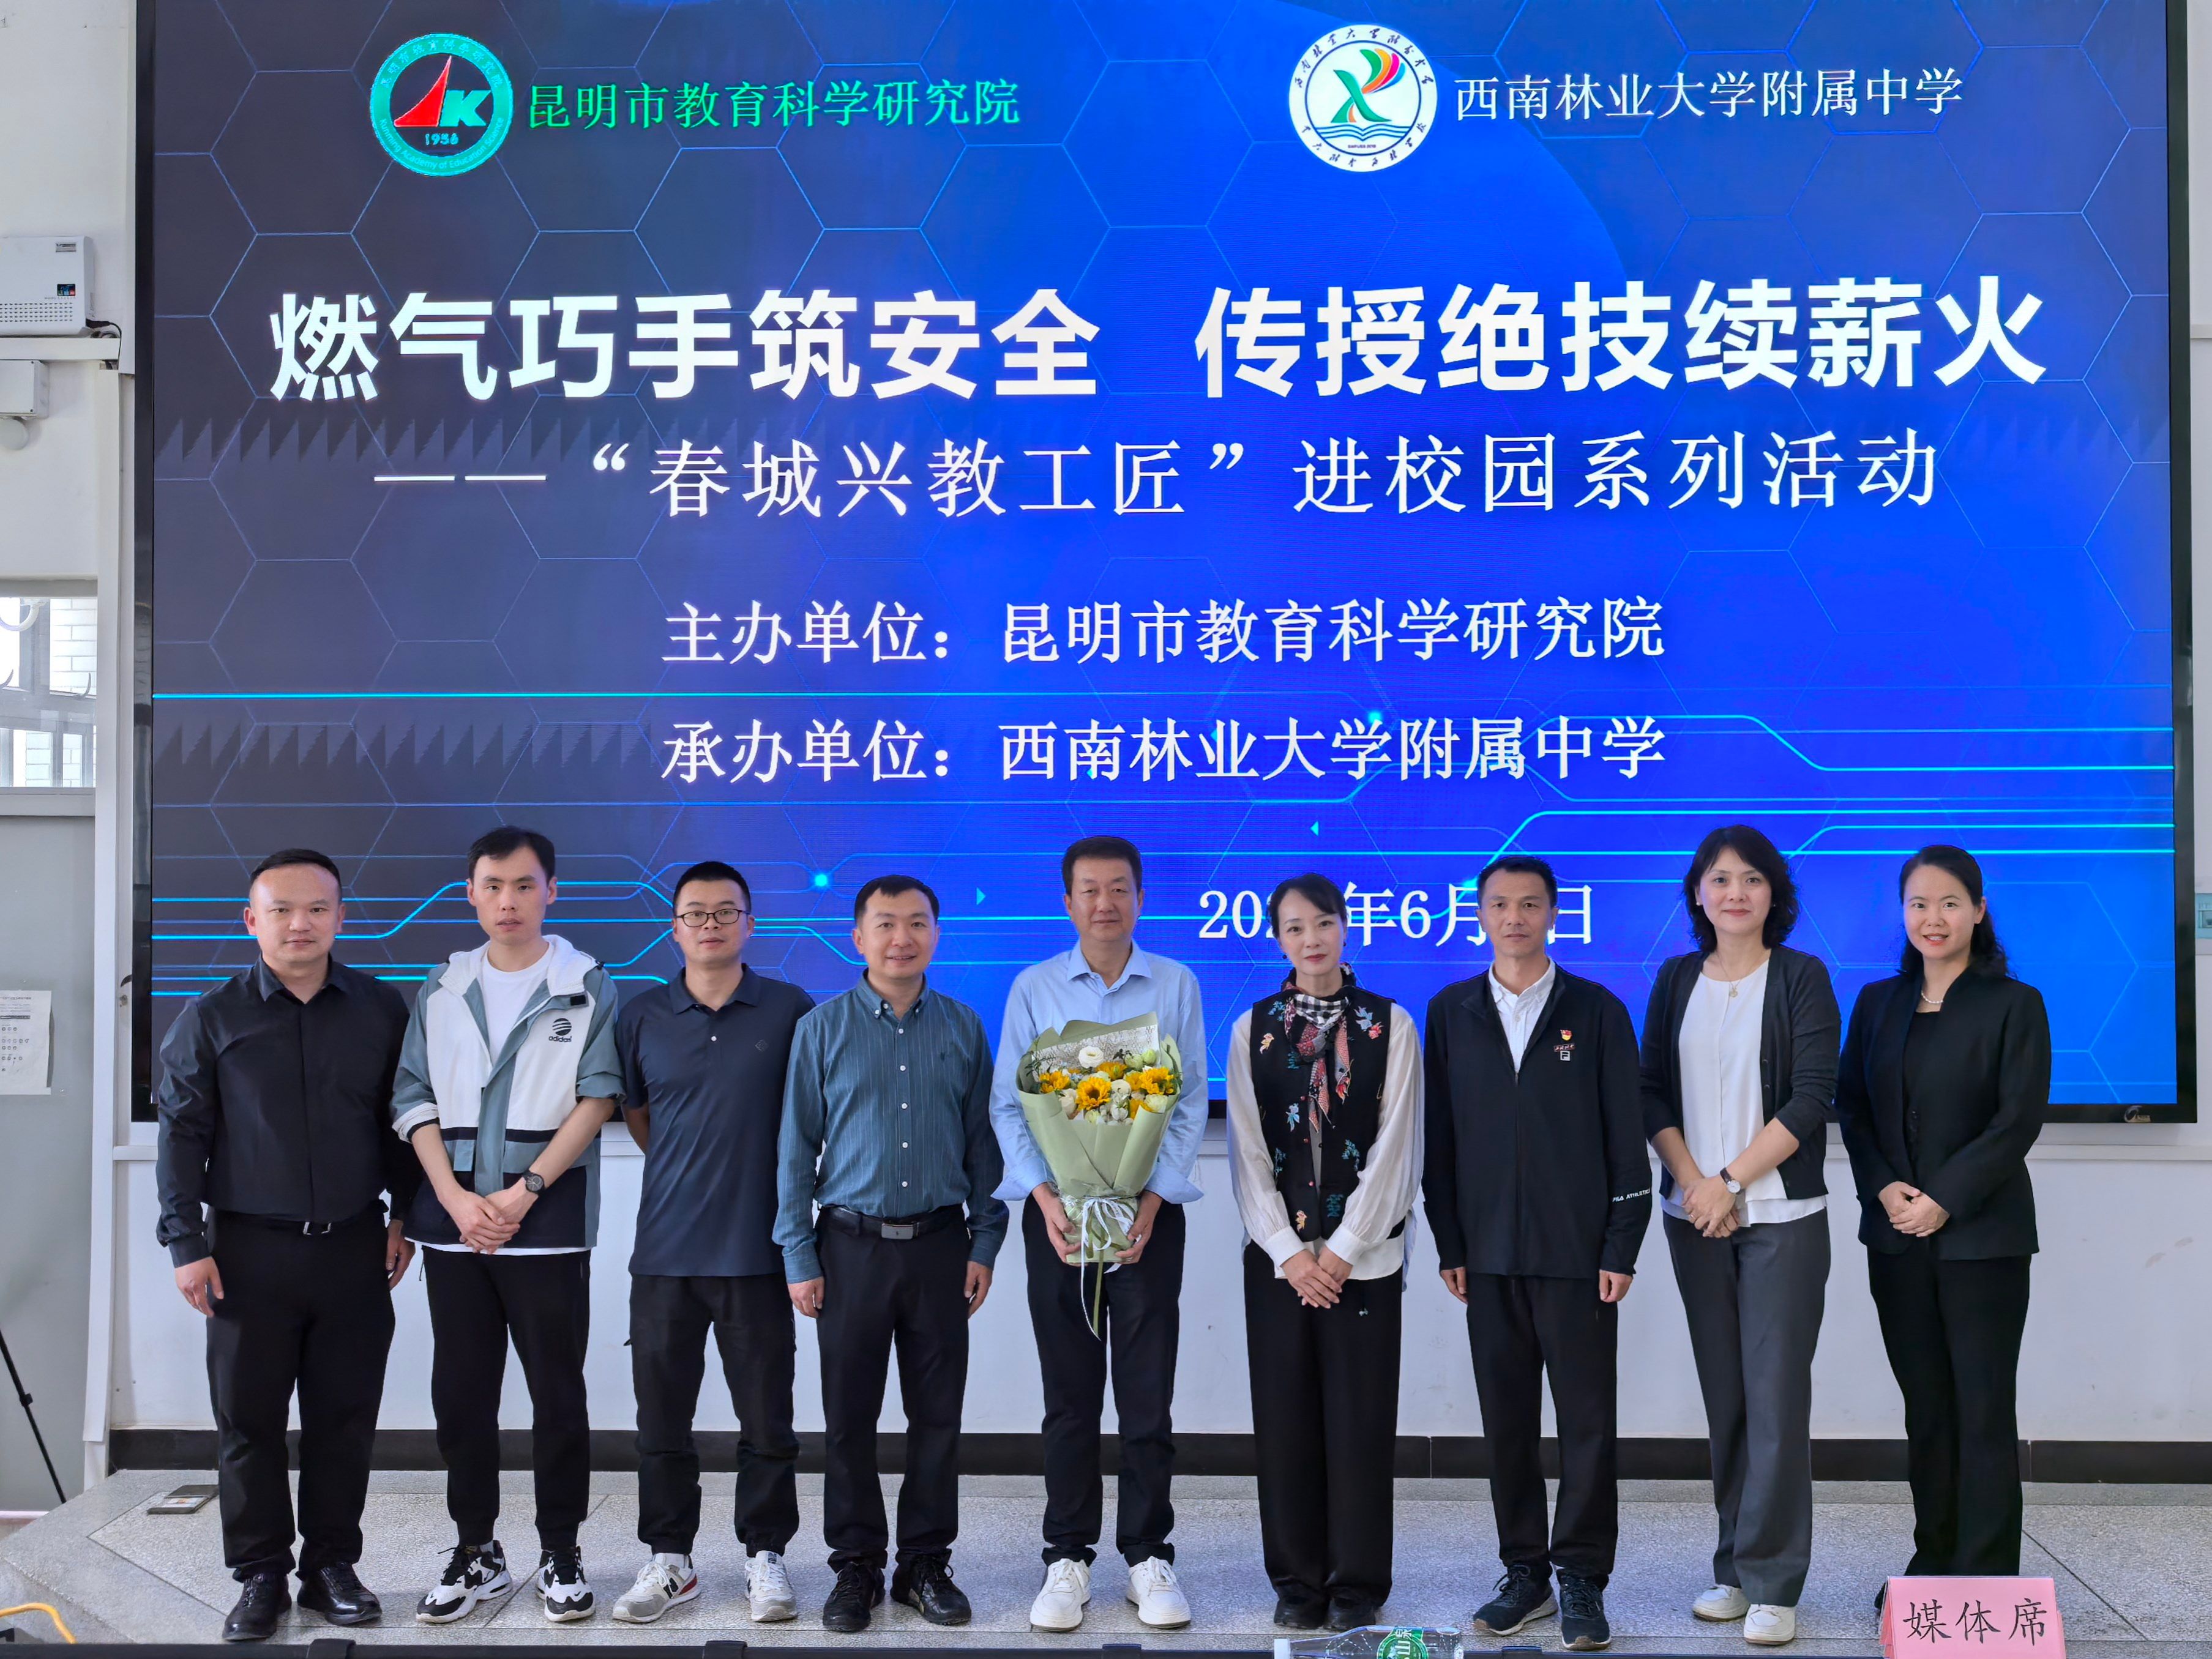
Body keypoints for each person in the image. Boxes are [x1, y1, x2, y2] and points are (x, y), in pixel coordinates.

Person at [154, 849, 417, 1642]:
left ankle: (332, 1565)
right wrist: (184, 1241)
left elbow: (401, 1122)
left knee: (345, 1417)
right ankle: (260, 1573)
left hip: (353, 1247)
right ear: (252, 919)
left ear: (340, 916)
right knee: (249, 1421)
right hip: (245, 1253)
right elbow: (182, 1134)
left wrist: (404, 1214)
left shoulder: (381, 1009)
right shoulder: (211, 1016)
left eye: (317, 908)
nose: (300, 923)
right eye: (281, 909)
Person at [390, 826, 622, 1625]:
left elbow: (598, 1094)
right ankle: (476, 1549)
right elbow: (412, 1096)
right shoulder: (443, 984)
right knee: (461, 1394)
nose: (508, 900)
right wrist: (455, 1199)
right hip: (454, 1229)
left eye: (524, 885)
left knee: (557, 1393)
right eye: (492, 885)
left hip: (547, 1224)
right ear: (470, 893)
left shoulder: (584, 981)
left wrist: (524, 1192)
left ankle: (561, 1549)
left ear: (551, 890)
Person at [1422, 854, 1650, 1653]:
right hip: (1485, 1253)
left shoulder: (1596, 1010)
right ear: (1479, 914)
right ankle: (1524, 1572)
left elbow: (1625, 1138)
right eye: (1498, 904)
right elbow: (1439, 1140)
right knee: (1507, 1422)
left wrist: (1621, 1242)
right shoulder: (1450, 1011)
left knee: (1586, 1421)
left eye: (1528, 904)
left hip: (1577, 1255)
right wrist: (1450, 1240)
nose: (1513, 917)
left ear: (1553, 912)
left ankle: (1581, 1573)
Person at [775, 875, 1007, 1635]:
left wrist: (984, 1238)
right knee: (848, 1417)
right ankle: (855, 1566)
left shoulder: (963, 1026)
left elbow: (981, 1144)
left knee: (936, 1415)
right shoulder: (821, 1028)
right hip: (848, 1248)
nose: (900, 937)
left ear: (936, 933)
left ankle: (924, 1565)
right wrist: (798, 1252)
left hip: (941, 1245)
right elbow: (794, 1147)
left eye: (915, 922)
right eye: (884, 923)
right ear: (858, 937)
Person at [990, 835, 1208, 1632]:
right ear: (1068, 901)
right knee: (1070, 1395)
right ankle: (1067, 1555)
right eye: (1089, 889)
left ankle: (1148, 1554)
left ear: (1140, 897)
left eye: (1119, 888)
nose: (1104, 902)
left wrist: (1150, 1199)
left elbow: (1187, 1101)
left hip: (1149, 1219)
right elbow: (1011, 1103)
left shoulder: (1175, 982)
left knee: (1146, 1396)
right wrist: (1046, 1198)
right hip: (1057, 1220)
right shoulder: (1033, 986)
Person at [1641, 827, 1839, 1648]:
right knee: (1726, 1397)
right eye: (1719, 878)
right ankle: (1733, 1564)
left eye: (1751, 878)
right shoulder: (1674, 978)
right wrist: (1695, 1184)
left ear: (1773, 892)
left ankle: (1774, 1578)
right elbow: (1650, 1089)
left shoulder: (1800, 975)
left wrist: (1727, 1181)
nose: (1734, 892)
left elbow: (1811, 1095)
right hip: (1694, 1217)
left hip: (1779, 1217)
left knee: (1775, 1398)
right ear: (1697, 892)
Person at [1836, 845, 2049, 1587]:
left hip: (1983, 1239)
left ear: (1978, 911)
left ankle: (1984, 1577)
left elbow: (2015, 1120)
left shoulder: (2013, 1004)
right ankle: (1933, 1562)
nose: (1933, 917)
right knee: (1925, 1408)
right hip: (1895, 1240)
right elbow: (1853, 1109)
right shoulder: (1877, 1003)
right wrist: (1884, 1188)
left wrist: (1943, 1197)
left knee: (1981, 1407)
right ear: (1902, 913)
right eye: (1919, 903)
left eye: (1950, 902)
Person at [609, 861, 813, 1625]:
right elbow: (640, 1118)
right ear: (674, 928)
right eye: (694, 913)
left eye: (726, 911)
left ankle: (766, 1554)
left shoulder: (790, 1009)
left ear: (750, 923)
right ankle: (671, 1557)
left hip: (758, 1252)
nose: (710, 924)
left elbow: (810, 1118)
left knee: (767, 1421)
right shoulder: (641, 1014)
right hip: (664, 1255)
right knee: (661, 1423)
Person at [1225, 873, 1422, 1633]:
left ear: (1346, 927)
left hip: (1362, 1262)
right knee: (1284, 1422)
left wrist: (1341, 1249)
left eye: (1323, 923)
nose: (1310, 939)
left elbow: (1397, 1148)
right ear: (1277, 938)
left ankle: (1357, 1582)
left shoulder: (1389, 1023)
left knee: (1360, 1422)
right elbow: (1246, 1152)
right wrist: (1288, 1251)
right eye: (1294, 926)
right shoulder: (1251, 1028)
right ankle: (1296, 1579)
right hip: (1279, 1265)